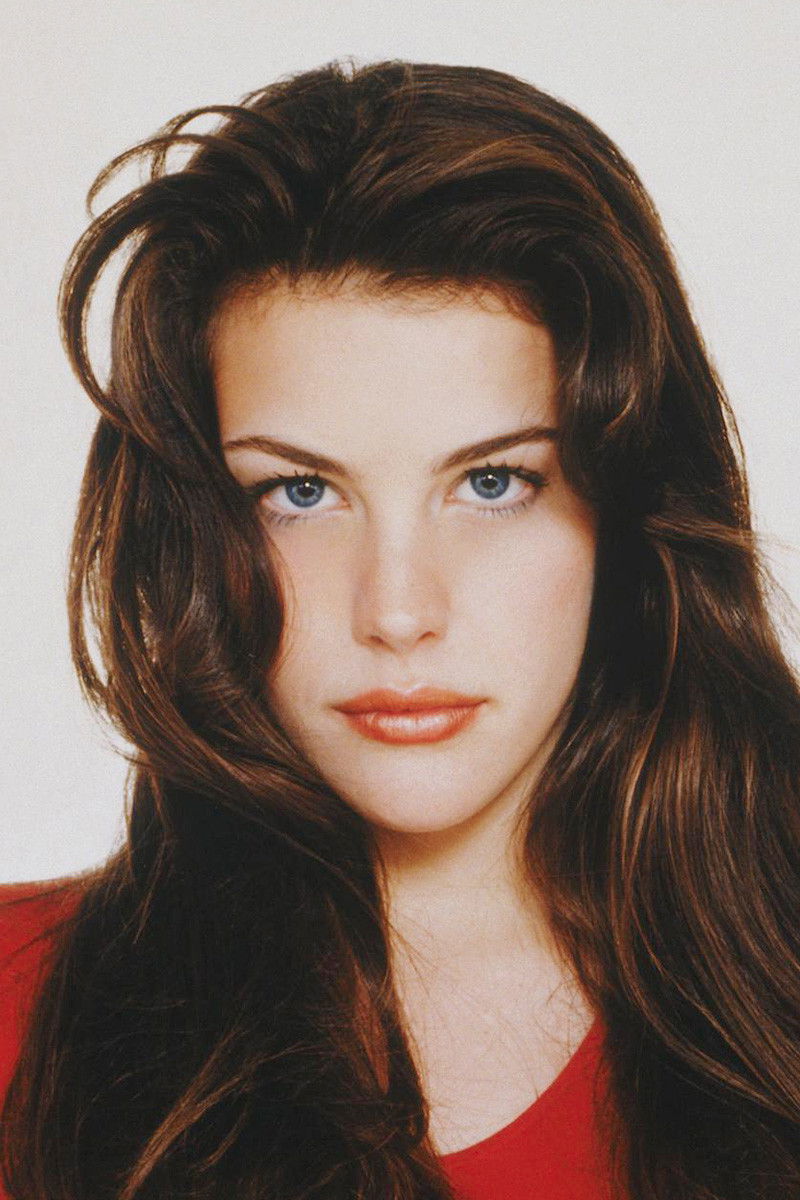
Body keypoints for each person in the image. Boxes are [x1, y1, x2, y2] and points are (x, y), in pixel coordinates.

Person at [1, 58, 798, 1200]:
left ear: (626, 511)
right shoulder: (17, 1007)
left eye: (492, 483)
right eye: (299, 493)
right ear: (193, 531)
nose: (398, 612)